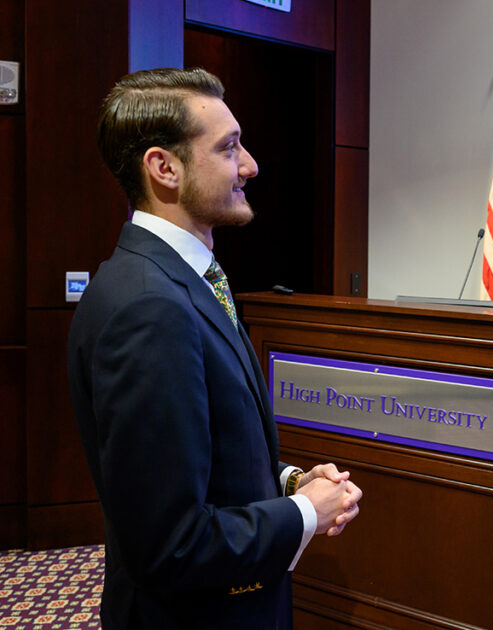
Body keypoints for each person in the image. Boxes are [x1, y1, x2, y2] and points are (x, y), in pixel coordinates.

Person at [67, 67, 362, 629]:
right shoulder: (148, 307)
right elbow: (170, 543)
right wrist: (305, 513)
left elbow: (201, 456)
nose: (249, 165)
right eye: (228, 148)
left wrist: (290, 484)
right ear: (164, 168)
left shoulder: (182, 281)